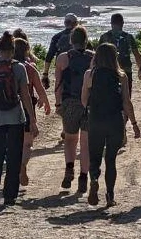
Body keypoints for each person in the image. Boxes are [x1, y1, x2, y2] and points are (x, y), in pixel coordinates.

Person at [0, 32, 39, 206]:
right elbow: (26, 96)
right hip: (16, 117)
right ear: (13, 51)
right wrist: (32, 119)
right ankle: (10, 195)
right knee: (14, 155)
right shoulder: (19, 68)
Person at [81, 43, 140, 206]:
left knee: (95, 157)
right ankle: (110, 196)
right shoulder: (121, 75)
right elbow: (127, 102)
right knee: (111, 159)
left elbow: (84, 100)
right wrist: (134, 123)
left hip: (96, 120)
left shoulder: (90, 74)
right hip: (115, 120)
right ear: (115, 57)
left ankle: (93, 179)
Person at [53, 25, 94, 193]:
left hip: (69, 101)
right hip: (88, 103)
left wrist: (57, 104)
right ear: (86, 40)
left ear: (71, 40)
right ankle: (83, 177)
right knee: (85, 143)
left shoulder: (63, 58)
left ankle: (69, 167)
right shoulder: (94, 57)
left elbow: (58, 84)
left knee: (70, 139)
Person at [12, 35, 52, 186]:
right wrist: (46, 103)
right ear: (27, 51)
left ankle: (15, 166)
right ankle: (23, 166)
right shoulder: (30, 68)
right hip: (27, 108)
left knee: (13, 142)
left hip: (8, 108)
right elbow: (40, 89)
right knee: (27, 143)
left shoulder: (7, 65)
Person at [39, 13, 79, 89]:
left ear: (65, 23)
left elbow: (49, 55)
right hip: (78, 66)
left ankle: (58, 101)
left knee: (60, 88)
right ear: (76, 23)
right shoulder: (82, 36)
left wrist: (45, 74)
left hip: (61, 67)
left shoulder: (57, 37)